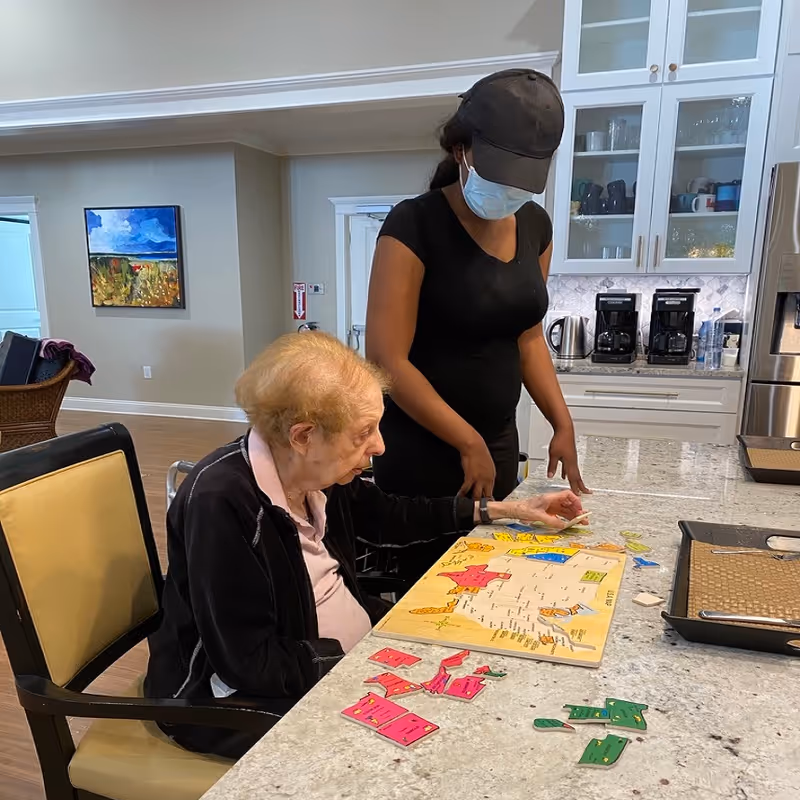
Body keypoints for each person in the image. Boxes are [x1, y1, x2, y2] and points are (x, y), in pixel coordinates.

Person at [145, 332, 585, 759]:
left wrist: (511, 510)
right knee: (436, 746)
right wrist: (356, 662)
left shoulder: (314, 472)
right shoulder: (220, 502)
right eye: (364, 432)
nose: (379, 445)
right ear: (303, 436)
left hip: (336, 662)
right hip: (234, 706)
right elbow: (248, 663)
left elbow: (394, 516)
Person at [367, 68, 589, 521]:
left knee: (498, 578)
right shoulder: (413, 225)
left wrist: (561, 422)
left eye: (520, 182)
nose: (509, 192)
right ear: (460, 150)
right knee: (430, 585)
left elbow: (527, 338)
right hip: (422, 448)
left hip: (497, 443)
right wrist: (466, 440)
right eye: (498, 175)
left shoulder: (534, 227)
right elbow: (387, 361)